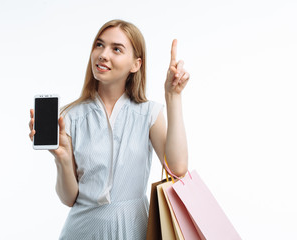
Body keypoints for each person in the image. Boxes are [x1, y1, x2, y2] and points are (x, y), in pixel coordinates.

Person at [28, 19, 190, 240]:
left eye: (116, 49)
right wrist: (62, 159)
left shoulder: (148, 114)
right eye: (99, 45)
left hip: (133, 229)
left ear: (136, 64)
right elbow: (68, 198)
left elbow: (178, 169)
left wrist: (173, 96)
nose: (103, 54)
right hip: (81, 231)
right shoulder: (70, 117)